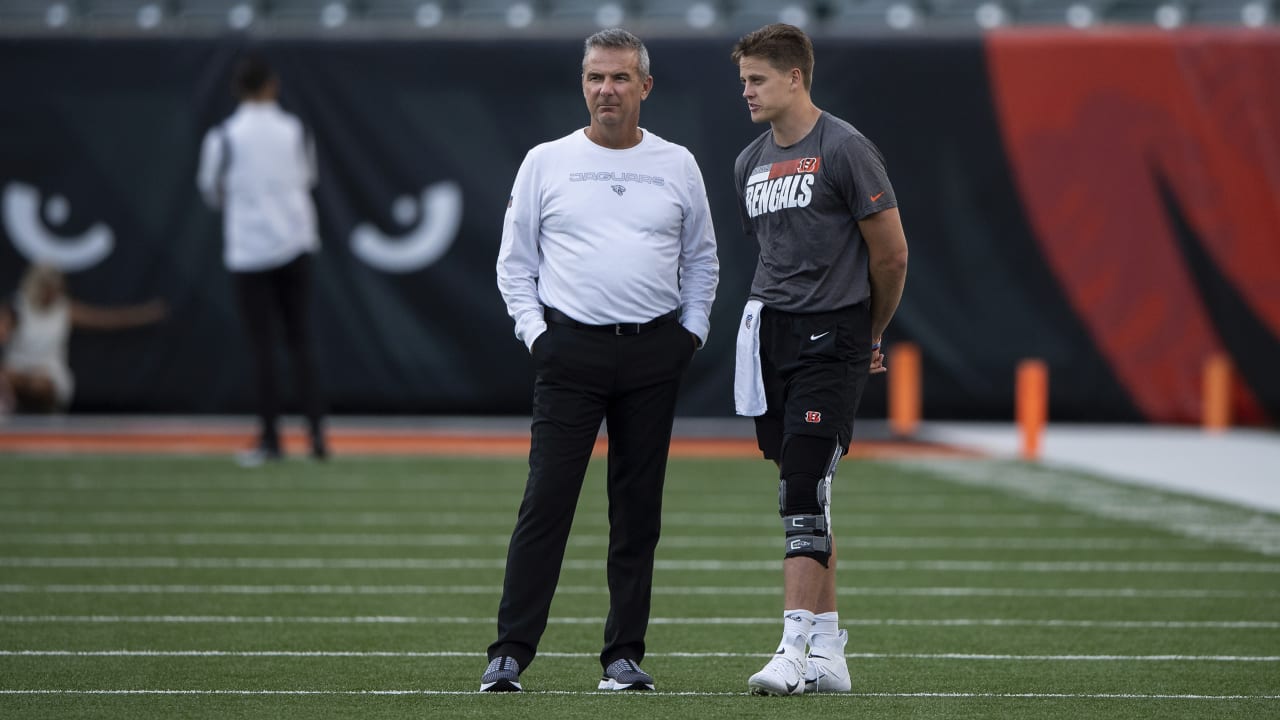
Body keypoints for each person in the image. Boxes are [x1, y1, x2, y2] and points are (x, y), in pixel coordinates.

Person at [484, 28, 719, 693]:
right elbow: (514, 265)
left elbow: (702, 259)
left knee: (637, 510)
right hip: (570, 350)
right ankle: (509, 652)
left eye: (619, 78)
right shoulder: (545, 161)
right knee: (546, 504)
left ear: (645, 86)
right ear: (581, 84)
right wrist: (538, 336)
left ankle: (622, 656)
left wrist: (690, 333)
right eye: (595, 77)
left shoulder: (677, 163)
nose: (605, 90)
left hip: (653, 352)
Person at [729, 24, 909, 696]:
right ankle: (830, 651)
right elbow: (772, 256)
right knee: (806, 488)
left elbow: (891, 254)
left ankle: (793, 646)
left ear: (795, 77)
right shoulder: (748, 161)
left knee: (802, 485)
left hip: (832, 335)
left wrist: (869, 332)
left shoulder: (844, 147)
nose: (745, 91)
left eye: (756, 79)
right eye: (743, 79)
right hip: (769, 334)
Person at [196, 52, 328, 466]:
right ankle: (317, 438)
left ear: (238, 89)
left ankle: (272, 440)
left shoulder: (224, 136)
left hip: (249, 249)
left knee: (263, 347)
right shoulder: (294, 130)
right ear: (271, 86)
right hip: (294, 242)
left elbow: (210, 190)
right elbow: (308, 178)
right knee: (300, 341)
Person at [0, 264, 166, 414]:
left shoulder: (64, 309)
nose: (53, 294)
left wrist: (145, 314)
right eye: (49, 289)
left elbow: (105, 319)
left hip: (47, 371)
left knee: (39, 385)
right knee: (8, 375)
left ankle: (43, 417)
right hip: (17, 368)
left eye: (56, 289)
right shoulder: (17, 307)